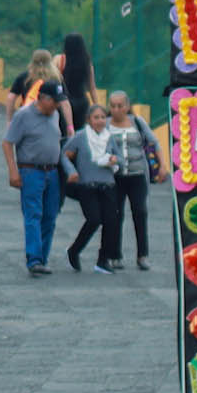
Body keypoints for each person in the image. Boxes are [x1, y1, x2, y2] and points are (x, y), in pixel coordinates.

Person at [3, 80, 65, 276]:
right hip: (31, 171)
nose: (56, 105)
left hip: (52, 172)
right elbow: (7, 143)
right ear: (42, 98)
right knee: (33, 214)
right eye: (54, 101)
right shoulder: (24, 115)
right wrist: (13, 171)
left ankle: (42, 257)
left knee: (50, 216)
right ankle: (34, 258)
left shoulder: (54, 115)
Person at [61, 89, 122, 272]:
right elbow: (64, 155)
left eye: (103, 117)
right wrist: (71, 171)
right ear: (89, 120)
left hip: (108, 184)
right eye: (96, 117)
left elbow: (120, 157)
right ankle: (74, 250)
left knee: (111, 222)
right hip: (87, 185)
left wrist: (114, 160)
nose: (100, 121)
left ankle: (103, 260)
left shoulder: (110, 137)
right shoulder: (80, 137)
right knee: (94, 219)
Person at [105, 92, 162, 270]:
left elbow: (154, 143)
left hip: (137, 175)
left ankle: (142, 255)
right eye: (113, 106)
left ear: (127, 106)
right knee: (115, 215)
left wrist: (162, 166)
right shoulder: (105, 125)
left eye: (120, 106)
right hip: (115, 177)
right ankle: (115, 255)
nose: (116, 110)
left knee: (140, 212)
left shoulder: (137, 122)